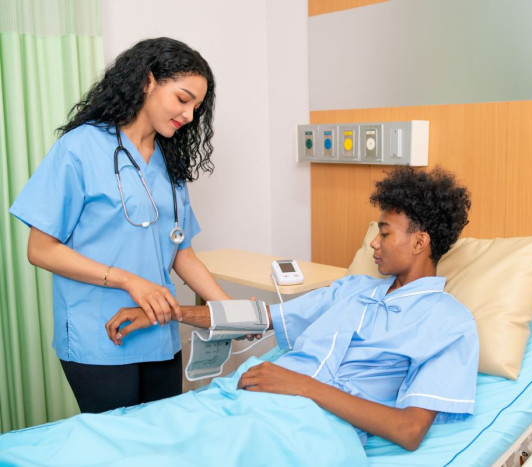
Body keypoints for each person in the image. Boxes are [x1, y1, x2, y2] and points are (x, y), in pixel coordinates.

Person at [106, 166, 478, 451]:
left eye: (384, 233)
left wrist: (301, 386)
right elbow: (262, 318)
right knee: (128, 440)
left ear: (420, 243)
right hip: (248, 399)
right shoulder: (353, 289)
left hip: (311, 431)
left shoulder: (449, 322)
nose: (373, 245)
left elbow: (408, 430)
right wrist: (172, 312)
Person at [9, 37, 231, 413]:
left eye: (197, 106)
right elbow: (40, 250)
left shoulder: (169, 161)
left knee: (162, 443)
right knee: (117, 450)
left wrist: (230, 311)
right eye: (182, 99)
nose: (190, 115)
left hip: (159, 330)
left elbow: (182, 252)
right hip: (99, 334)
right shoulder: (80, 148)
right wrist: (129, 279)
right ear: (148, 81)